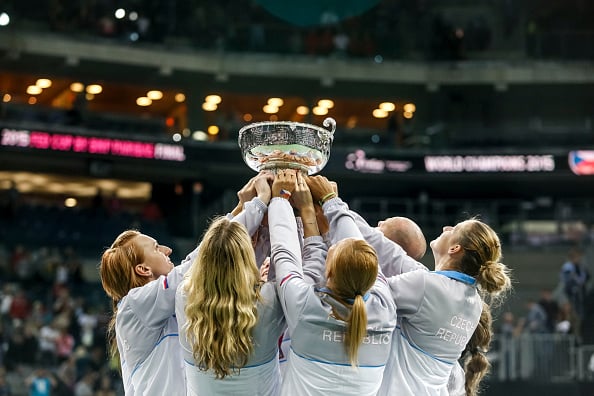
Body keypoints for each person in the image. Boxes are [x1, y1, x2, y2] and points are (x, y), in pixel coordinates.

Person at [309, 175, 512, 396]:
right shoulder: (469, 300)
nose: (445, 227)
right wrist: (334, 204)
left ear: (455, 249)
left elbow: (369, 277)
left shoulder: (428, 285)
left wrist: (330, 203)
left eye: (453, 229)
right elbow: (388, 251)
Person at [98, 175, 270, 395]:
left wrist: (240, 209)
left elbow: (211, 261)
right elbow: (204, 259)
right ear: (143, 269)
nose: (167, 250)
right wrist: (256, 205)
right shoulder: (134, 305)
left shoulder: (164, 302)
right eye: (156, 248)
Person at [268, 169, 397, 396]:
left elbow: (283, 251)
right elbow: (356, 245)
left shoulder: (306, 305)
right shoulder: (384, 307)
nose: (331, 243)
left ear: (329, 270)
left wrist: (280, 199)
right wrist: (327, 203)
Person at [175, 191, 285, 395]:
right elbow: (290, 258)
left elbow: (209, 252)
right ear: (247, 257)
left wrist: (253, 205)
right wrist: (280, 202)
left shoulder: (184, 295)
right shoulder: (269, 300)